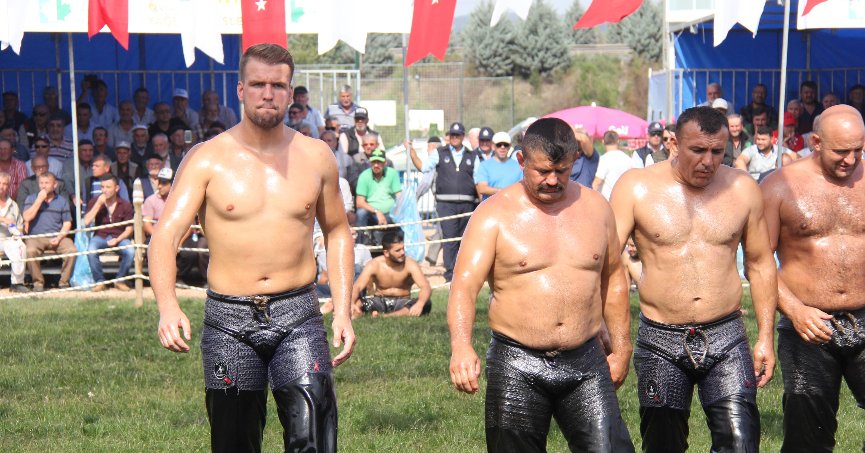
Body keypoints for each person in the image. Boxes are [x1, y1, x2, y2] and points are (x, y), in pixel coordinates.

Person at [149, 43, 355, 453]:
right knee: (233, 442)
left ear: (291, 91)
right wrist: (168, 307)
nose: (268, 93)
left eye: (278, 85)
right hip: (229, 319)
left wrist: (344, 310)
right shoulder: (207, 159)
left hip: (298, 314)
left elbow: (337, 232)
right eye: (258, 84)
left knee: (315, 439)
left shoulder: (316, 156)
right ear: (241, 89)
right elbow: (165, 236)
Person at [448, 117, 634, 452]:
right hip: (517, 361)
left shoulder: (596, 208)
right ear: (521, 160)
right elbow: (464, 285)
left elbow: (615, 280)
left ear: (574, 160)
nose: (552, 180)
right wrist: (461, 345)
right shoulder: (493, 215)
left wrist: (621, 349)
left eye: (561, 171)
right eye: (543, 171)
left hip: (585, 358)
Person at [610, 106, 777, 452]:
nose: (708, 161)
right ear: (673, 143)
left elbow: (761, 263)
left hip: (726, 335)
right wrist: (617, 341)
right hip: (660, 338)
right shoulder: (636, 187)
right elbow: (607, 264)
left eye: (717, 151)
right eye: (698, 150)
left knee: (741, 443)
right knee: (663, 445)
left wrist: (765, 337)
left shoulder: (742, 188)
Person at [760, 104, 865, 452]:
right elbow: (759, 262)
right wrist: (795, 310)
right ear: (816, 142)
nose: (851, 160)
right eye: (841, 151)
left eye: (858, 150)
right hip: (808, 325)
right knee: (807, 437)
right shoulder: (780, 186)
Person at [409, 121, 478, 282]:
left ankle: (463, 272)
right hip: (445, 203)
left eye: (458, 135)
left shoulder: (472, 156)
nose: (455, 137)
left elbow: (478, 180)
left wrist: (481, 203)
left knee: (464, 239)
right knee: (449, 238)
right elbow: (423, 167)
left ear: (463, 136)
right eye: (452, 135)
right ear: (449, 136)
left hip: (468, 203)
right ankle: (450, 274)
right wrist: (411, 152)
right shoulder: (439, 153)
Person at [350, 230, 431, 318]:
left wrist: (420, 304)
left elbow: (425, 286)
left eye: (403, 249)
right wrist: (352, 303)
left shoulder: (410, 264)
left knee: (426, 303)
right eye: (398, 250)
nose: (402, 253)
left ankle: (384, 316)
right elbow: (357, 286)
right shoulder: (374, 264)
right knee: (357, 303)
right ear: (386, 253)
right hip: (379, 301)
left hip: (402, 302)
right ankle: (356, 313)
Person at [22, 172, 75, 292]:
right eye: (41, 183)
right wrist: (39, 200)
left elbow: (67, 223)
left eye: (47, 183)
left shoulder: (62, 201)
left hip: (57, 236)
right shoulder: (31, 198)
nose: (43, 186)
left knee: (72, 250)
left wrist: (59, 237)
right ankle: (38, 282)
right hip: (36, 237)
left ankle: (64, 282)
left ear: (55, 185)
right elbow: (27, 217)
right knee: (30, 251)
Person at [83, 174, 134, 292]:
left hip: (119, 236)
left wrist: (117, 240)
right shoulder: (95, 201)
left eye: (108, 187)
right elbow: (86, 222)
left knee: (130, 251)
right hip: (101, 236)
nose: (104, 190)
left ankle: (120, 280)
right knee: (91, 250)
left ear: (116, 188)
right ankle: (100, 281)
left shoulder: (125, 204)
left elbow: (129, 229)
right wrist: (98, 204)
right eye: (102, 187)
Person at [355, 149, 401, 244]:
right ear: (370, 162)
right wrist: (377, 211)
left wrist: (399, 210)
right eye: (373, 162)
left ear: (385, 163)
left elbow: (399, 196)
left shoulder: (392, 173)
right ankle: (361, 245)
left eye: (379, 162)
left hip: (391, 213)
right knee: (361, 213)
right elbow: (359, 202)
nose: (376, 165)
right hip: (372, 214)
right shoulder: (364, 176)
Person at [0, 171, 28, 292]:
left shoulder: (13, 205)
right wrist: (3, 219)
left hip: (7, 239)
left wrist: (17, 234)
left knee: (20, 246)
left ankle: (17, 283)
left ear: (8, 186)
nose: (1, 186)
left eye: (5, 184)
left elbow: (19, 226)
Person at [475, 131, 522, 200]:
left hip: (512, 205)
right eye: (499, 145)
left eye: (505, 145)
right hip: (491, 205)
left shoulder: (518, 166)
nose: (502, 147)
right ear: (493, 146)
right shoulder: (484, 165)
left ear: (509, 146)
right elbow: (482, 188)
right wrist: (504, 192)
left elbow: (522, 188)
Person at [592, 130, 634, 201]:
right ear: (618, 141)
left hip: (608, 201)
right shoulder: (628, 159)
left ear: (603, 141)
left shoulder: (604, 159)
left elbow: (597, 182)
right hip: (625, 200)